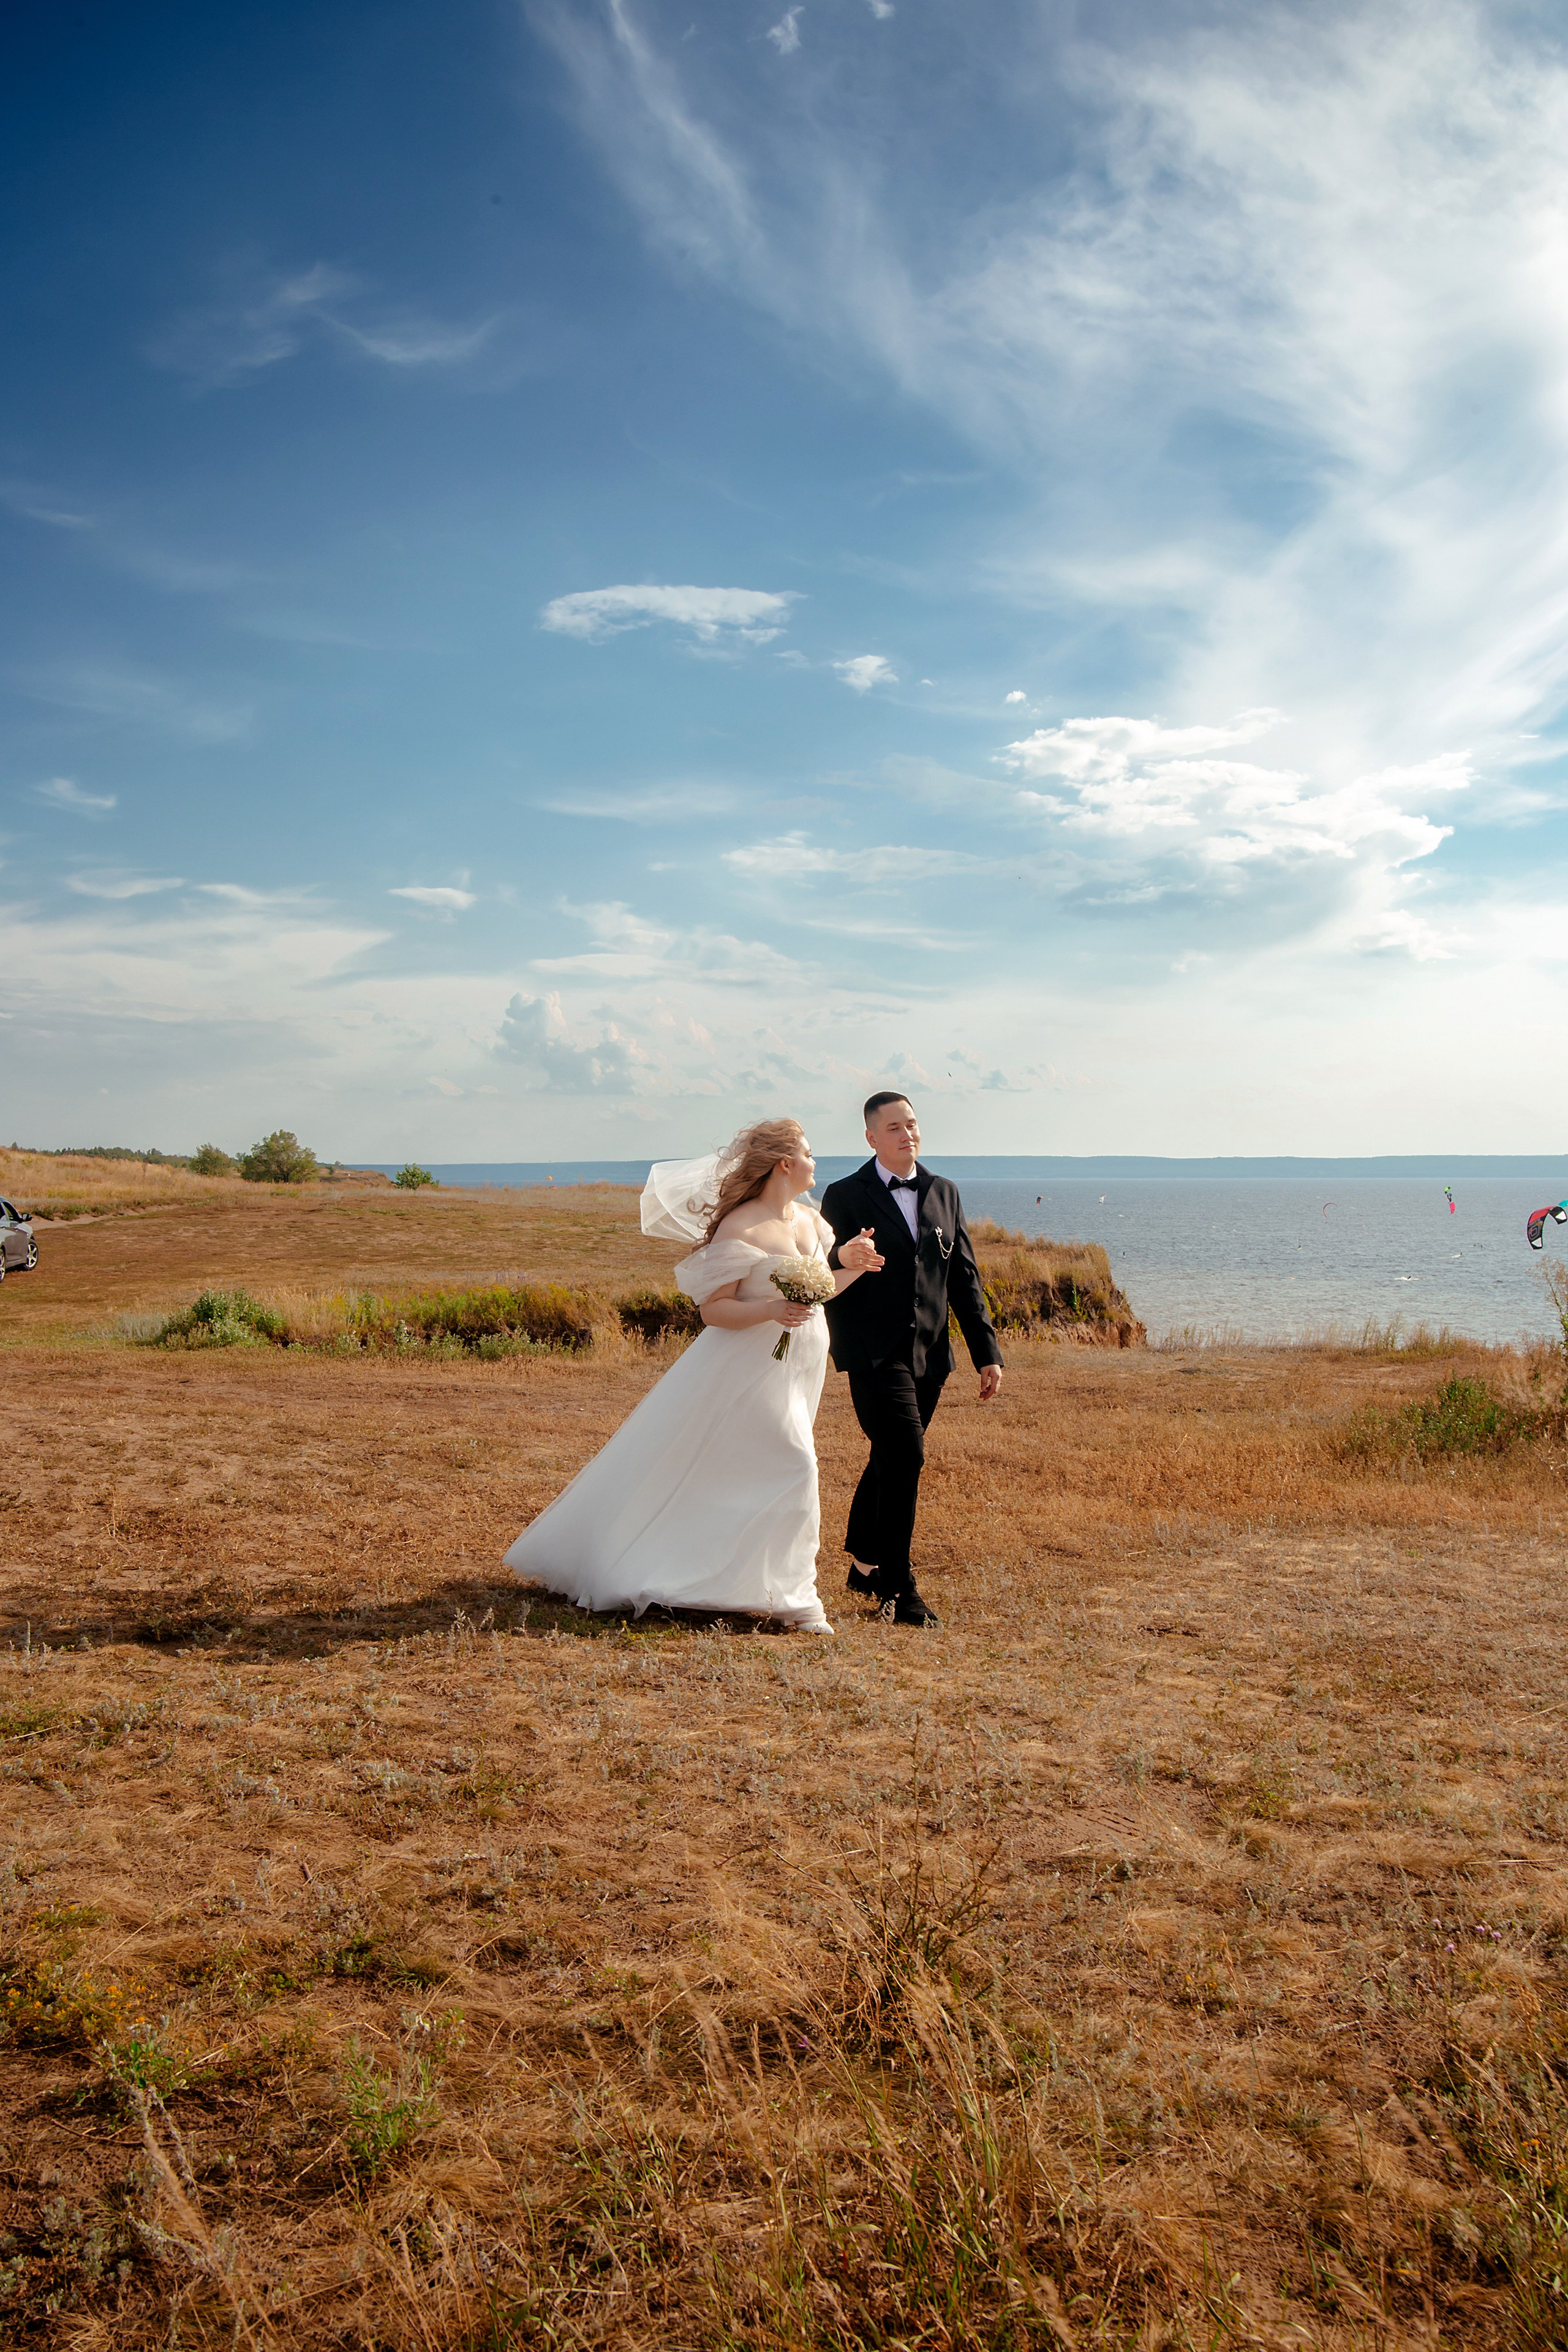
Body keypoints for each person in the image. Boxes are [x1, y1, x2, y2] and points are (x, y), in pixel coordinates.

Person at [503, 1118, 884, 1630]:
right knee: (796, 1464)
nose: (817, 1162)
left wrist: (853, 1265)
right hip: (746, 1368)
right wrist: (771, 1309)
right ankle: (797, 1600)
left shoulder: (813, 1224)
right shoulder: (741, 1227)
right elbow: (715, 1310)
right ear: (785, 1164)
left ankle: (730, 1577)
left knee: (742, 1467)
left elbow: (819, 1292)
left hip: (799, 1366)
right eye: (809, 1153)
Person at [819, 1091, 1003, 1627]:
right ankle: (898, 1588)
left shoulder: (944, 1191)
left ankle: (862, 1562)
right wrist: (841, 1255)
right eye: (895, 1128)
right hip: (872, 1352)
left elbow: (963, 1276)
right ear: (872, 1138)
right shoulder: (845, 1195)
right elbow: (819, 1262)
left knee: (890, 1455)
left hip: (930, 1354)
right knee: (906, 1454)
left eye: (913, 1124)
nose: (908, 1134)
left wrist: (985, 1354)